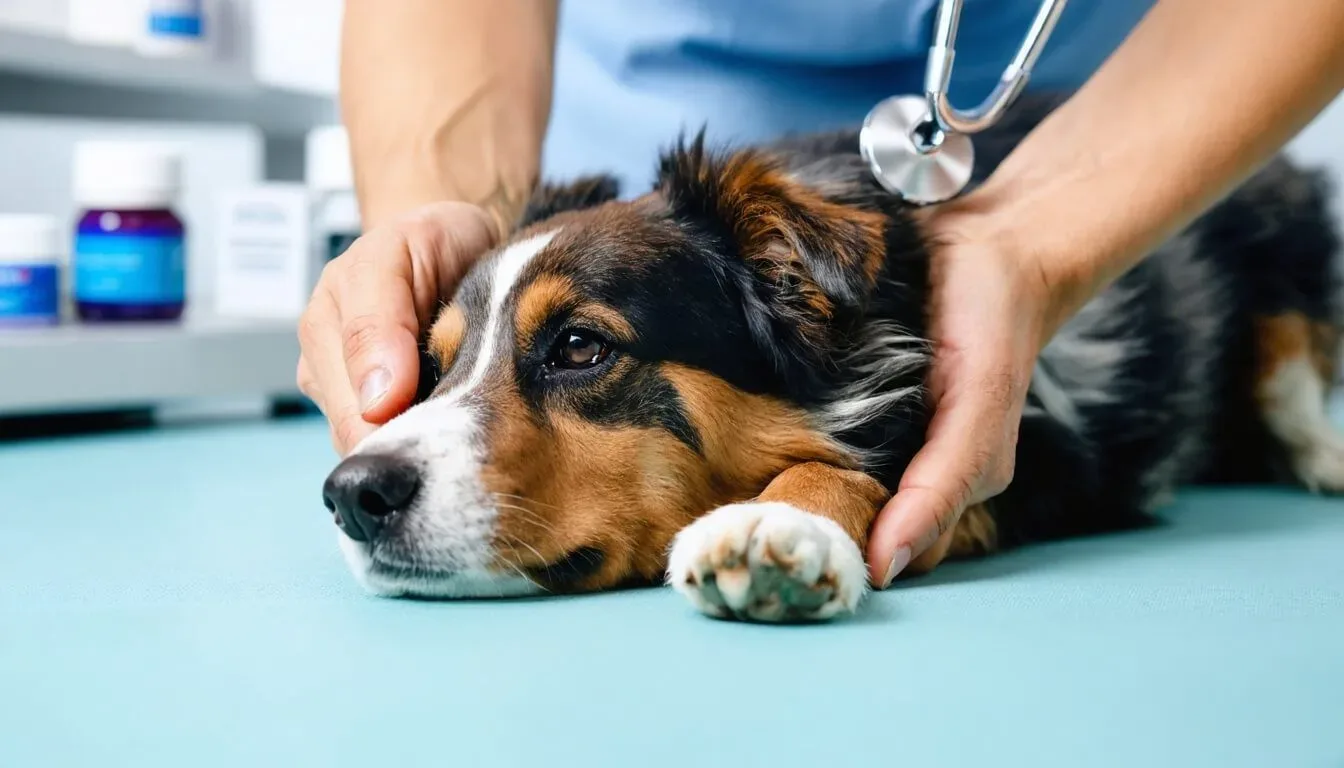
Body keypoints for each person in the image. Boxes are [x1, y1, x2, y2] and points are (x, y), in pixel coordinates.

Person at [297, 0, 1344, 590]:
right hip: (648, 185)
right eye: (449, 366)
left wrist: (1041, 239)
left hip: (1119, 114)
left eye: (575, 350)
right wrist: (441, 218)